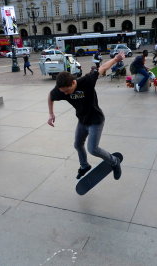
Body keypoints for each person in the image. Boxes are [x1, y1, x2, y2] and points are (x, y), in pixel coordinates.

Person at [47, 52, 125, 180]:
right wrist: (51, 113)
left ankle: (114, 161)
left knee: (93, 149)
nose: (65, 94)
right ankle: (84, 166)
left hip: (96, 120)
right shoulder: (61, 90)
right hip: (82, 121)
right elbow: (51, 96)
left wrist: (116, 59)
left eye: (67, 91)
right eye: (63, 92)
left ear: (73, 83)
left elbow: (103, 68)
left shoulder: (87, 81)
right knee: (78, 145)